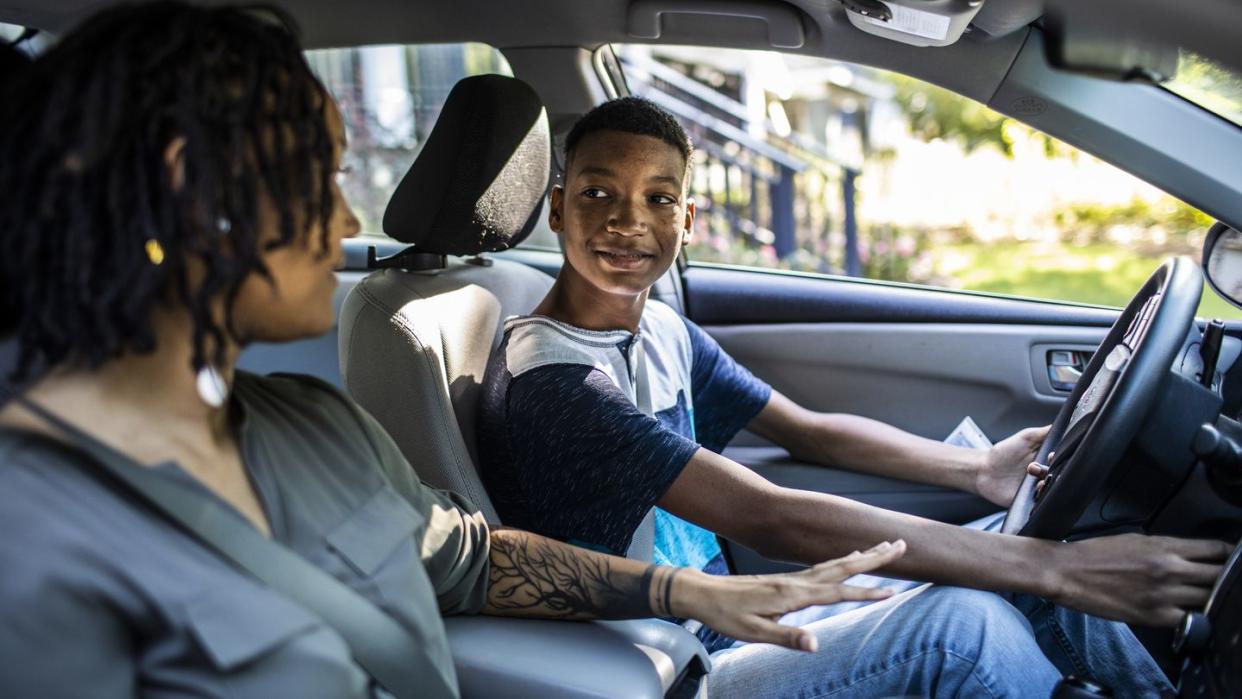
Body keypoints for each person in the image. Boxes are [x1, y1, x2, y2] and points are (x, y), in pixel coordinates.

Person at [0, 5, 915, 697]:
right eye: (318, 177)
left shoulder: (314, 426)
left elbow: (475, 560)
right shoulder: (31, 533)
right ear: (191, 191)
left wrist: (686, 592)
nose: (349, 220)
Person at [476, 96, 1233, 697]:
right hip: (670, 660)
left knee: (1026, 548)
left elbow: (809, 431)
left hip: (746, 608)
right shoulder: (556, 380)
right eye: (597, 192)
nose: (626, 219)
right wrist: (1047, 567)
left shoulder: (664, 329)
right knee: (966, 622)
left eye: (658, 198)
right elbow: (769, 513)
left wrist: (974, 471)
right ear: (554, 207)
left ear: (688, 219)